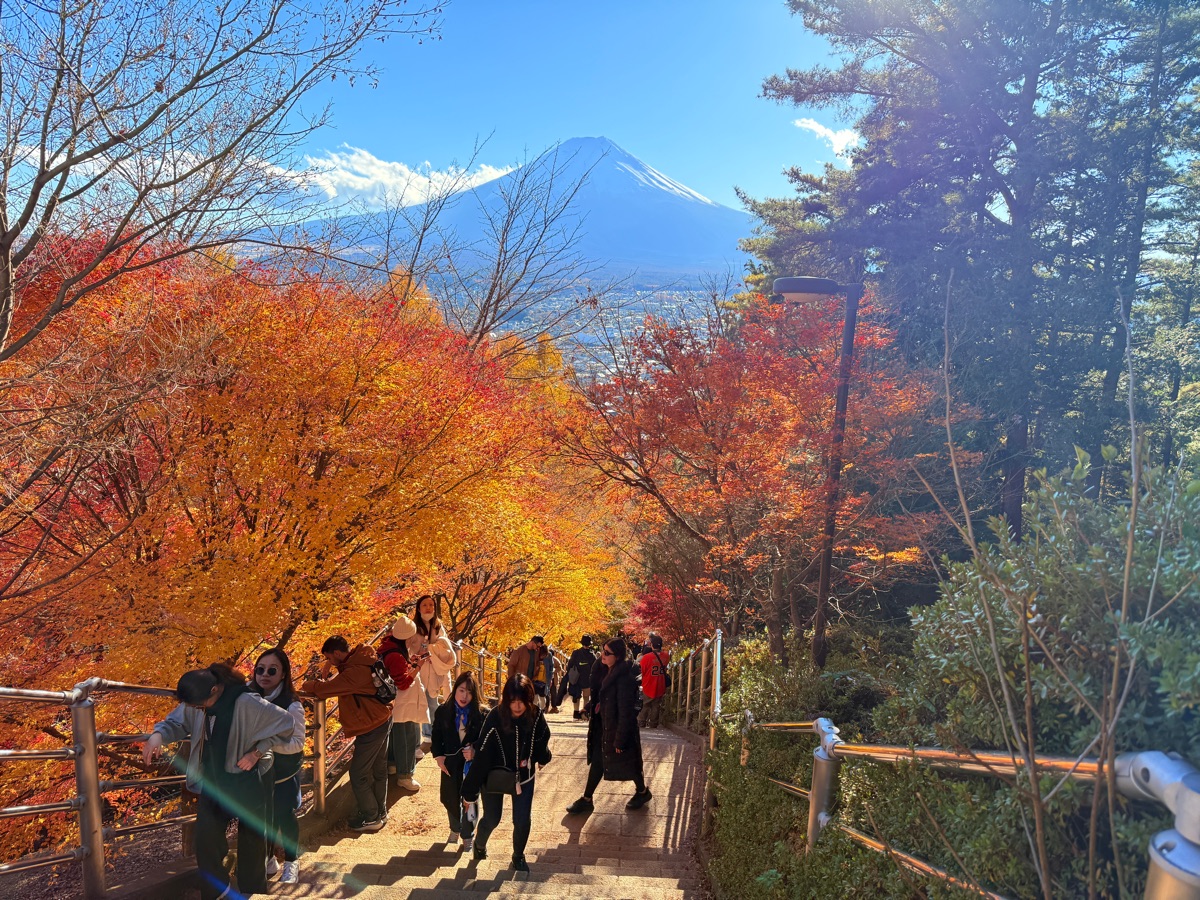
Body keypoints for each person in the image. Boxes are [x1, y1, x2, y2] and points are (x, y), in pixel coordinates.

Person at [143, 663, 295, 900]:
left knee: (252, 840)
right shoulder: (198, 700)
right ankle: (217, 893)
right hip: (212, 778)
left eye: (198, 705)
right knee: (206, 839)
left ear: (215, 689)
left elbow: (286, 724)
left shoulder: (247, 702)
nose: (195, 709)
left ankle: (252, 892)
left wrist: (257, 752)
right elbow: (177, 721)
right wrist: (158, 734)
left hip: (246, 778)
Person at [460, 674, 552, 873]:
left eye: (521, 701)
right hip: (494, 774)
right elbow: (482, 753)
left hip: (523, 776)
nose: (517, 706)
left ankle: (518, 856)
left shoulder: (535, 715)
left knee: (522, 820)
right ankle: (479, 845)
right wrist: (469, 791)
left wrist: (544, 757)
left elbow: (542, 739)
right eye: (513, 701)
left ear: (529, 699)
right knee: (492, 818)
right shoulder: (496, 716)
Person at [300, 635, 392, 831]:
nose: (330, 662)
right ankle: (380, 812)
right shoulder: (362, 658)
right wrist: (330, 666)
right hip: (380, 718)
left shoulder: (353, 672)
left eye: (329, 658)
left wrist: (307, 685)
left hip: (371, 725)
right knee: (379, 769)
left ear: (337, 653)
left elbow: (324, 689)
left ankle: (371, 816)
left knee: (358, 774)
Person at [565, 638, 652, 815]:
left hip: (619, 728)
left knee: (630, 763)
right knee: (599, 760)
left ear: (617, 656)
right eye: (602, 650)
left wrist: (620, 740)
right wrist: (589, 707)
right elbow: (601, 696)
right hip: (604, 725)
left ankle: (642, 792)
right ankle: (587, 799)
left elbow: (626, 712)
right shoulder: (603, 669)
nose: (602, 655)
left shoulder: (624, 679)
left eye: (607, 653)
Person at [249, 648, 306, 885]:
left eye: (272, 670)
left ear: (283, 674)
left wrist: (267, 745)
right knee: (262, 815)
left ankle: (292, 862)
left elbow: (298, 743)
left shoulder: (292, 705)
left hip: (283, 771)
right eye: (260, 669)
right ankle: (269, 858)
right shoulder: (248, 697)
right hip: (256, 771)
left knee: (284, 814)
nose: (265, 674)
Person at [431, 671, 486, 851]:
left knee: (471, 800)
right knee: (450, 798)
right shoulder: (443, 711)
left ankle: (468, 834)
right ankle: (455, 828)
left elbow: (488, 741)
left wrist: (475, 750)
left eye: (469, 692)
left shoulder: (482, 714)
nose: (464, 696)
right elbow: (436, 736)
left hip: (472, 766)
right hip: (451, 764)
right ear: (455, 690)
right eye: (461, 690)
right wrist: (439, 756)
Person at [407, 594, 458, 747]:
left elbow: (445, 646)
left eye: (431, 605)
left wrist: (432, 651)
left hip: (433, 669)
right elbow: (408, 647)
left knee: (432, 702)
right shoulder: (413, 627)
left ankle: (431, 734)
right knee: (418, 703)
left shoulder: (438, 626)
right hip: (417, 669)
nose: (428, 608)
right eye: (425, 605)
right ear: (418, 608)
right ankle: (420, 739)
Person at [388, 613, 430, 792]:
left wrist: (410, 664)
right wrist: (418, 667)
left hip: (395, 703)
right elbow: (403, 683)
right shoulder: (396, 655)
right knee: (407, 738)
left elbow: (398, 673)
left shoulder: (388, 648)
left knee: (396, 736)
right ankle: (405, 776)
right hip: (403, 702)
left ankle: (392, 765)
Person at [638, 633, 670, 729]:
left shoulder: (646, 657)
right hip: (660, 683)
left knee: (646, 704)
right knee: (656, 705)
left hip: (648, 683)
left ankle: (641, 721)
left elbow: (642, 671)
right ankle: (653, 723)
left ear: (652, 645)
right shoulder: (666, 656)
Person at [561, 636, 596, 719]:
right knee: (586, 696)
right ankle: (584, 713)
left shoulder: (576, 653)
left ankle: (576, 712)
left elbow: (570, 664)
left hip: (576, 677)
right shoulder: (592, 655)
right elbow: (594, 667)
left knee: (576, 696)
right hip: (587, 678)